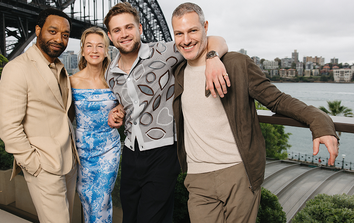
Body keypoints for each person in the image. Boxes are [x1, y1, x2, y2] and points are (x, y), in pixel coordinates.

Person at [171, 3, 339, 223]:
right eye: (179, 33)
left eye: (192, 30)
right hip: (198, 179)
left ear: (205, 27)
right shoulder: (178, 73)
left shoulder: (236, 64)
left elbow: (278, 100)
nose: (186, 40)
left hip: (238, 174)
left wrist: (320, 122)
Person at [103, 2, 229, 223]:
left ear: (140, 29)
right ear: (110, 37)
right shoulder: (110, 74)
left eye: (129, 27)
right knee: (130, 216)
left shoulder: (163, 52)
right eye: (117, 30)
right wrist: (118, 110)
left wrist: (213, 58)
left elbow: (215, 40)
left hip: (163, 150)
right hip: (131, 151)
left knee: (153, 218)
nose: (124, 34)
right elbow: (125, 103)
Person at [0, 8, 79, 223]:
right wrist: (34, 165)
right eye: (52, 31)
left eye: (65, 35)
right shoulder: (16, 69)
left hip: (69, 162)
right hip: (44, 166)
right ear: (38, 30)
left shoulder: (59, 67)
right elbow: (8, 127)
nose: (59, 39)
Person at [70, 26, 124, 223]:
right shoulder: (71, 81)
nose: (94, 50)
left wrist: (120, 109)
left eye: (100, 46)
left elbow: (126, 103)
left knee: (101, 200)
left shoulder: (115, 79)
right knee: (86, 198)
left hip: (108, 148)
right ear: (83, 50)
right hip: (82, 149)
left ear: (106, 50)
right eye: (89, 46)